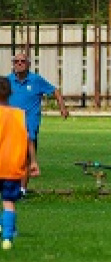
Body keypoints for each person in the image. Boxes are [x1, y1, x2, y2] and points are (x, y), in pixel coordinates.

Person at [8, 52, 69, 182]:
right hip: (11, 124)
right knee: (10, 157)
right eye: (16, 61)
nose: (19, 63)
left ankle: (22, 189)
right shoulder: (8, 80)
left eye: (23, 61)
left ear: (29, 64)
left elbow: (55, 91)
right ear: (13, 64)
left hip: (30, 122)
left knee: (26, 157)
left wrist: (62, 108)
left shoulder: (36, 80)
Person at [0, 76, 32, 250]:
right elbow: (28, 139)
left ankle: (4, 226)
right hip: (12, 166)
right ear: (10, 92)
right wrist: (32, 161)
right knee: (9, 202)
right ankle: (7, 238)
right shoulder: (19, 114)